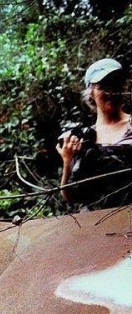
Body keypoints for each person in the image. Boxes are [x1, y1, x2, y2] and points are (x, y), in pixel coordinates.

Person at [56, 57, 132, 210]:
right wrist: (67, 161)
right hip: (94, 224)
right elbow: (69, 197)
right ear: (90, 92)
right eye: (103, 86)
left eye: (115, 84)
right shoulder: (82, 138)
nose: (111, 92)